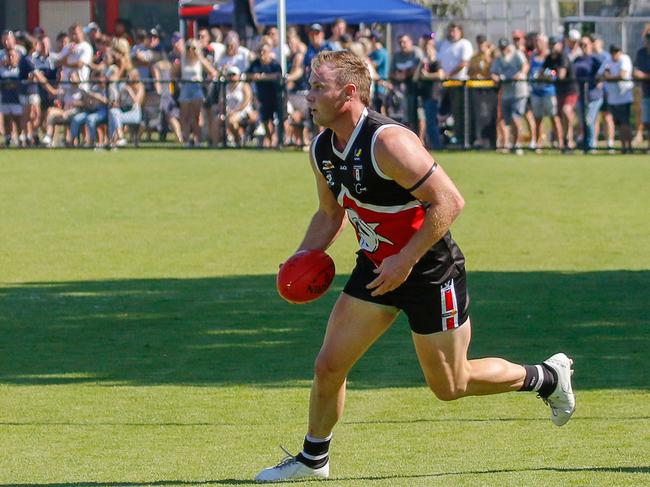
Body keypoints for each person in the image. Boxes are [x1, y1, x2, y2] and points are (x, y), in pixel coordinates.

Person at [254, 49, 576, 483]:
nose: (307, 95)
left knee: (450, 385)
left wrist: (406, 261)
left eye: (317, 87)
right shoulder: (321, 148)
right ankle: (314, 458)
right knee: (329, 365)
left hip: (428, 270)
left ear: (348, 92)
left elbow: (449, 201)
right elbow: (330, 214)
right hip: (375, 267)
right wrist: (299, 258)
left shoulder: (389, 142)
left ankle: (546, 377)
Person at [491, 38, 530, 154]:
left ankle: (518, 145)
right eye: (502, 48)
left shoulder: (517, 54)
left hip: (519, 92)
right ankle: (512, 143)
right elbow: (493, 72)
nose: (504, 50)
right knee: (508, 121)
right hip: (506, 93)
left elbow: (525, 65)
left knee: (515, 118)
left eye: (505, 47)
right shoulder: (499, 59)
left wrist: (521, 74)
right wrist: (495, 77)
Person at [437, 23, 473, 147]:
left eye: (455, 31)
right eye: (450, 31)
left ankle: (463, 140)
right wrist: (442, 73)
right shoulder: (445, 44)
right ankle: (452, 139)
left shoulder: (465, 44)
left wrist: (449, 74)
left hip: (459, 84)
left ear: (460, 32)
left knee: (460, 113)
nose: (452, 34)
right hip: (446, 85)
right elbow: (440, 61)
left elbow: (464, 63)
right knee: (444, 114)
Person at [529, 35, 563, 152]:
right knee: (538, 119)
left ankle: (560, 144)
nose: (538, 44)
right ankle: (538, 144)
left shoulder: (550, 56)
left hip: (549, 91)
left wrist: (546, 75)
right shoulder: (532, 56)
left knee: (554, 118)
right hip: (536, 92)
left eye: (540, 42)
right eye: (536, 42)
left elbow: (555, 72)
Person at [600, 45, 634, 153]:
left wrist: (608, 77)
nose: (615, 54)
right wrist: (608, 77)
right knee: (618, 124)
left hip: (624, 97)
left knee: (625, 123)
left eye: (617, 52)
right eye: (613, 52)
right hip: (612, 98)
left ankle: (629, 147)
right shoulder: (608, 60)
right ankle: (623, 147)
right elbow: (600, 75)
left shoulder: (625, 59)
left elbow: (622, 75)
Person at [573, 36, 603, 152]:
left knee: (589, 119)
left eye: (585, 44)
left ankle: (591, 145)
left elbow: (605, 70)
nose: (583, 47)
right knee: (582, 121)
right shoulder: (577, 60)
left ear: (591, 44)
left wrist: (600, 80)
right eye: (581, 45)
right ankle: (585, 143)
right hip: (581, 94)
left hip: (593, 95)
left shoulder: (596, 59)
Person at [633, 29, 650, 151]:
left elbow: (641, 74)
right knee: (647, 121)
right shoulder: (641, 53)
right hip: (645, 92)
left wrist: (643, 76)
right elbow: (635, 70)